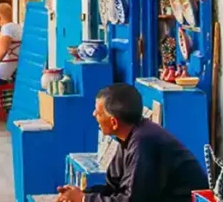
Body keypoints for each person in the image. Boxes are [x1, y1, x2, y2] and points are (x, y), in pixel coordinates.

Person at [56, 84, 208, 202]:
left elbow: (133, 200)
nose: (94, 114)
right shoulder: (128, 136)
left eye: (99, 112)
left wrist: (84, 199)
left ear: (114, 122)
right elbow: (114, 188)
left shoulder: (144, 141)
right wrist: (78, 194)